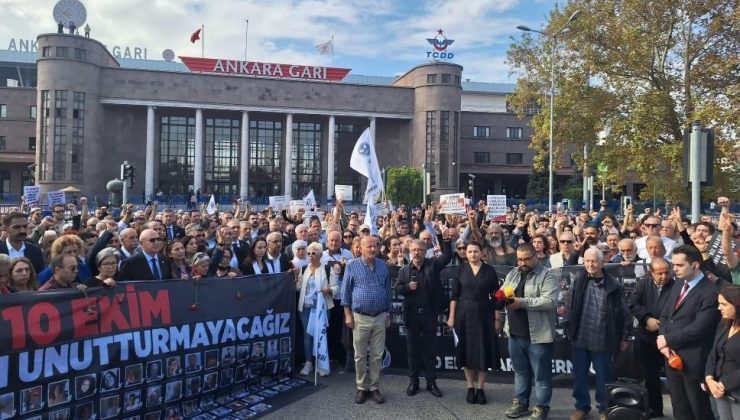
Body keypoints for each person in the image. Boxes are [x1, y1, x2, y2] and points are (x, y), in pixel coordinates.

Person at [566, 247, 631, 420]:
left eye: (594, 261)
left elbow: (625, 313)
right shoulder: (579, 280)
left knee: (604, 378)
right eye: (587, 261)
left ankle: (604, 409)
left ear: (602, 262)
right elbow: (569, 305)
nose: (590, 264)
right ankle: (582, 407)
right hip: (580, 337)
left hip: (602, 339)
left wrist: (624, 337)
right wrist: (568, 328)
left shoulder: (614, 285)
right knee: (580, 376)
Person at [658, 245, 721, 420]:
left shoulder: (710, 291)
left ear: (694, 265)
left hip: (694, 361)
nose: (674, 269)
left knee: (699, 408)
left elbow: (700, 328)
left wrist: (667, 339)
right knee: (679, 407)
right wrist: (663, 342)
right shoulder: (678, 285)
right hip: (671, 357)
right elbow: (665, 314)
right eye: (673, 264)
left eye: (679, 265)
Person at [501, 244, 559, 420]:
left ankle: (542, 407)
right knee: (520, 371)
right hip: (514, 331)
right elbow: (504, 290)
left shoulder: (548, 275)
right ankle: (521, 403)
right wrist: (501, 296)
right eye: (519, 259)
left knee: (541, 376)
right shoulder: (513, 272)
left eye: (526, 259)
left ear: (536, 256)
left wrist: (522, 302)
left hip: (538, 335)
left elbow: (549, 301)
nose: (522, 262)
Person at [394, 235, 451, 398]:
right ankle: (414, 382)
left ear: (425, 251)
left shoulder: (433, 264)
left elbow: (447, 256)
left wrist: (443, 238)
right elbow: (397, 288)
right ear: (409, 252)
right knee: (412, 350)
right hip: (412, 315)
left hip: (429, 314)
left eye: (419, 249)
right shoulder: (404, 270)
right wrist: (407, 287)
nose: (416, 252)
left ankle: (431, 382)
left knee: (430, 349)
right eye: (413, 250)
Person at [446, 241, 501, 405]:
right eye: (469, 251)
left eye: (475, 251)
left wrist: (497, 318)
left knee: (484, 350)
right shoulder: (460, 270)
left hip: (485, 314)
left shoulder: (490, 271)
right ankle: (470, 387)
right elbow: (454, 295)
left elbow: (496, 296)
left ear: (481, 252)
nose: (472, 254)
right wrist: (451, 317)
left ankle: (481, 388)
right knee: (467, 351)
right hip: (464, 315)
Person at [341, 235, 392, 405]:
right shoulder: (352, 265)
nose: (372, 249)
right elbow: (345, 292)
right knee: (360, 355)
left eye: (375, 246)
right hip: (360, 317)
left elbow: (388, 291)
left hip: (379, 316)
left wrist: (388, 313)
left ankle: (374, 387)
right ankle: (362, 387)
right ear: (360, 248)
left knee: (377, 355)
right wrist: (347, 314)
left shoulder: (383, 266)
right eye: (369, 246)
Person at [628, 257, 674, 418]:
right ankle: (655, 409)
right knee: (650, 375)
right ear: (652, 272)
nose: (664, 276)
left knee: (674, 377)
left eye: (667, 272)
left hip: (669, 337)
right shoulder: (643, 284)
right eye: (660, 273)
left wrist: (660, 324)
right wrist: (647, 318)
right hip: (646, 337)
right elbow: (633, 304)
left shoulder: (676, 286)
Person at [297, 242, 339, 377]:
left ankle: (321, 363)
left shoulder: (327, 269)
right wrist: (293, 279)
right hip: (306, 307)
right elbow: (298, 288)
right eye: (308, 253)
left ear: (320, 255)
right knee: (307, 335)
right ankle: (308, 362)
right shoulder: (304, 269)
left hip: (322, 307)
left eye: (313, 253)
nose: (310, 255)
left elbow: (335, 287)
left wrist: (329, 290)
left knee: (321, 334)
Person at [706, 285, 740, 420]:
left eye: (724, 304)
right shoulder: (725, 323)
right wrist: (709, 379)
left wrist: (724, 383)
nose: (719, 308)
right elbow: (713, 354)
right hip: (720, 390)